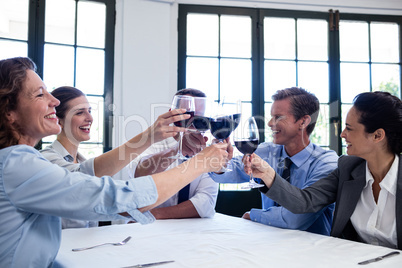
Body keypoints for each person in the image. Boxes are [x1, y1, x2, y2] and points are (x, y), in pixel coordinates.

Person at [0, 57, 228, 267]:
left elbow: (87, 173)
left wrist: (151, 135)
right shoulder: (17, 163)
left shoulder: (22, 161)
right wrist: (200, 163)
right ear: (9, 111)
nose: (54, 100)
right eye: (40, 94)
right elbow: (110, 195)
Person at [246, 91, 402, 249]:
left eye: (349, 128)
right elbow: (305, 202)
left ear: (377, 136)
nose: (342, 134)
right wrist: (267, 173)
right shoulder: (347, 169)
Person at [42, 86, 177, 228]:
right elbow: (82, 178)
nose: (89, 118)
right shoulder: (47, 160)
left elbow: (106, 200)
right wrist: (148, 136)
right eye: (80, 113)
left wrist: (142, 217)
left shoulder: (82, 161)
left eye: (89, 111)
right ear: (59, 120)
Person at [210, 87, 339, 236]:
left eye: (278, 117)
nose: (270, 123)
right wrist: (218, 160)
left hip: (313, 251)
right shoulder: (267, 151)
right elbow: (228, 171)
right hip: (269, 243)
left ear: (303, 122)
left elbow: (296, 219)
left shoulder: (326, 163)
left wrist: (254, 215)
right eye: (271, 116)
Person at [130, 88, 218, 219]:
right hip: (149, 230)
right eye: (187, 115)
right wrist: (177, 150)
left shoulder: (208, 150)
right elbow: (139, 175)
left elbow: (205, 203)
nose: (193, 122)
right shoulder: (153, 140)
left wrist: (156, 215)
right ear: (172, 114)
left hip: (191, 230)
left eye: (200, 117)